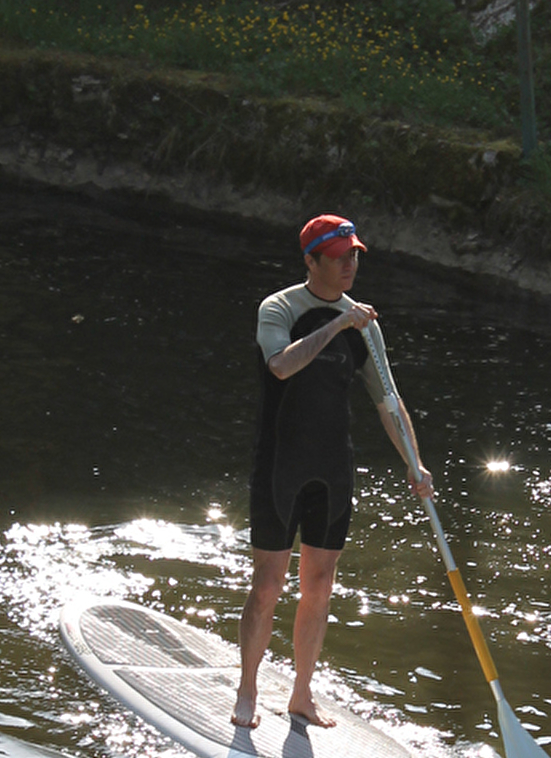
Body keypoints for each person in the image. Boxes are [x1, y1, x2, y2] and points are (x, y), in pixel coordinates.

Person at [233, 213, 435, 730]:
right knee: (268, 585)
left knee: (320, 584)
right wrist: (339, 323)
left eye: (355, 255)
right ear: (311, 261)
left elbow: (388, 399)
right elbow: (280, 364)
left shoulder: (363, 324)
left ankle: (302, 695)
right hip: (280, 463)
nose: (350, 264)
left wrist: (415, 463)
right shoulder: (280, 308)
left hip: (332, 467)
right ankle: (248, 689)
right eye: (340, 256)